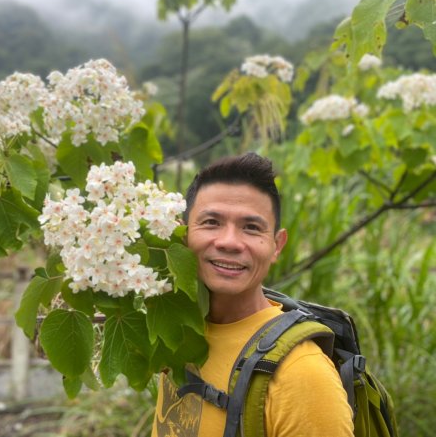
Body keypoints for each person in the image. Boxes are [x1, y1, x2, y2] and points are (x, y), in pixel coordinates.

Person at [151, 153, 354, 437]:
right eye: (211, 222)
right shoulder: (177, 327)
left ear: (276, 245)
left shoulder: (303, 374)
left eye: (251, 227)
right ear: (183, 234)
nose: (229, 242)